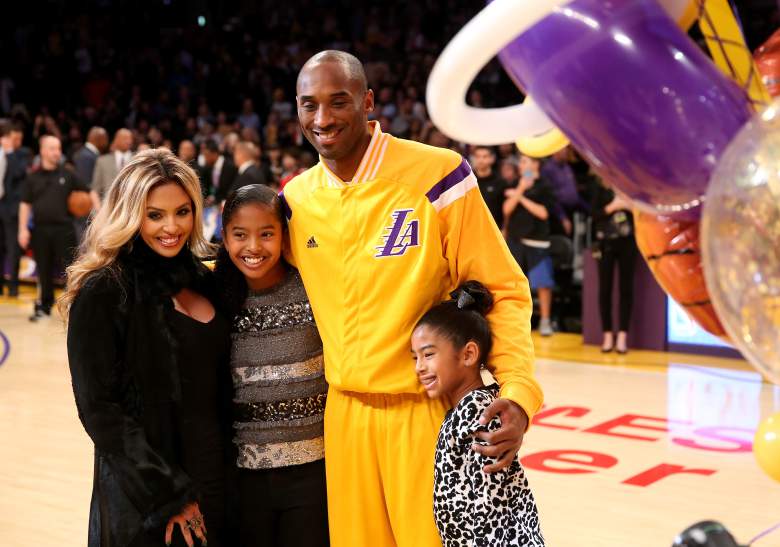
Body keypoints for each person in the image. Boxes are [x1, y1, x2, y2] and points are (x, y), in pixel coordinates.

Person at [282, 50, 542, 547]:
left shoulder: (438, 175)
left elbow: (503, 289)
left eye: (339, 102)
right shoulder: (296, 198)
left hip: (426, 410)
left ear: (368, 102)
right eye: (308, 105)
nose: (323, 119)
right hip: (343, 417)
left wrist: (518, 392)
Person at [60, 148, 232, 546]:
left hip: (216, 482)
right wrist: (167, 494)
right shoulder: (105, 290)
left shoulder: (203, 280)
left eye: (182, 211)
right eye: (155, 214)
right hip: (150, 505)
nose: (171, 226)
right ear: (130, 213)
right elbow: (100, 410)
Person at [215, 184, 328, 547]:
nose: (253, 247)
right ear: (224, 235)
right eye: (240, 235)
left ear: (284, 234)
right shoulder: (213, 296)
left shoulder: (313, 286)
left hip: (313, 470)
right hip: (244, 475)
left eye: (266, 234)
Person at [412, 281, 545, 547]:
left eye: (428, 355)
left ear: (469, 354)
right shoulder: (470, 407)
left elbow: (488, 508)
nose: (419, 367)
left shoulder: (478, 414)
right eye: (415, 357)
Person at [18, 135, 87, 320]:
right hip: (40, 230)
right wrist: (22, 229)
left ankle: (75, 307)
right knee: (44, 270)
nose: (57, 152)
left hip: (64, 229)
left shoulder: (68, 173)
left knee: (71, 270)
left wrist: (99, 213)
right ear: (42, 151)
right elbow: (25, 204)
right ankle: (44, 306)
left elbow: (88, 192)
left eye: (58, 148)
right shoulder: (32, 177)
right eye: (52, 148)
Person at [503, 154, 556, 337]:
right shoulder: (515, 184)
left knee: (543, 283)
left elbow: (543, 213)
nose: (521, 164)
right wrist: (520, 189)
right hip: (516, 241)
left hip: (537, 241)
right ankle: (516, 322)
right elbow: (507, 209)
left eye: (525, 161)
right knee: (515, 284)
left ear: (536, 164)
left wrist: (522, 198)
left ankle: (545, 321)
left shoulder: (545, 186)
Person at [590, 176, 636, 354]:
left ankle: (623, 335)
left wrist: (627, 206)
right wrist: (612, 207)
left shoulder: (629, 184)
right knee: (605, 289)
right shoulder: (598, 185)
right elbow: (594, 214)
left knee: (626, 289)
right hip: (605, 243)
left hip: (628, 243)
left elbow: (641, 211)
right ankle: (607, 335)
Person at [0, 122, 29, 297]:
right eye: (13, 138)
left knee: (13, 248)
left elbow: (19, 173)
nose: (15, 141)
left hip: (11, 208)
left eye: (18, 139)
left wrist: (10, 152)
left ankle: (13, 286)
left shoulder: (22, 154)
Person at [90, 127, 133, 210]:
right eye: (125, 138)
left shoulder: (138, 160)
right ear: (116, 140)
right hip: (107, 210)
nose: (129, 141)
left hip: (132, 210)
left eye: (130, 138)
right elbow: (95, 190)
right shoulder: (103, 161)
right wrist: (98, 212)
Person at [471, 145, 507, 229]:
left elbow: (505, 210)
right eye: (478, 156)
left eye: (485, 156)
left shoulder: (500, 182)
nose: (481, 160)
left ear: (492, 159)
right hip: (471, 228)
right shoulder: (467, 180)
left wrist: (505, 228)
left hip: (494, 229)